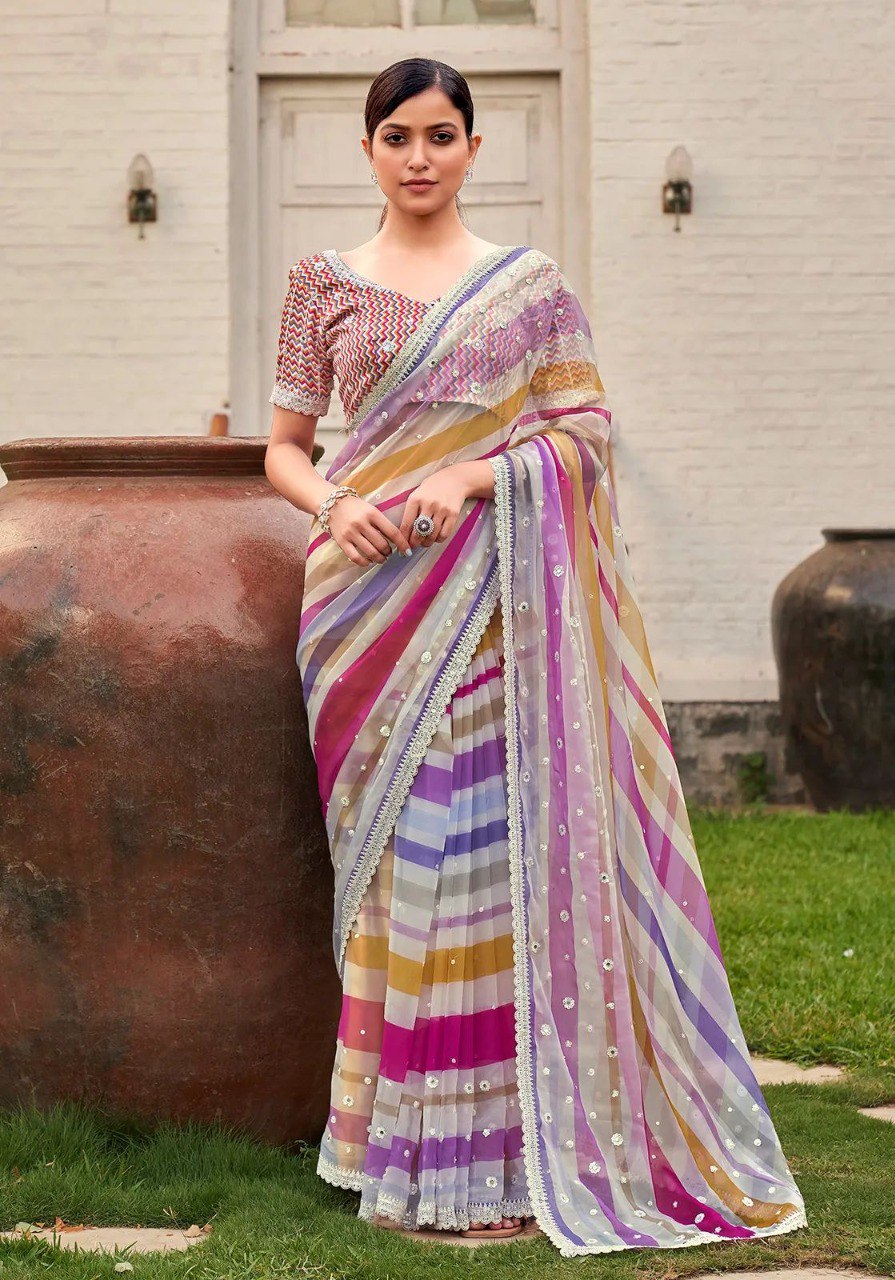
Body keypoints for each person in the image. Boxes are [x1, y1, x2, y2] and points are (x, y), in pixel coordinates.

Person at [263, 56, 807, 1258]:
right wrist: (335, 503)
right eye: (397, 134)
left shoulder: (528, 289)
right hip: (360, 605)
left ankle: (493, 1155)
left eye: (442, 134)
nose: (419, 155)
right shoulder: (321, 282)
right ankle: (383, 1145)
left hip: (489, 602)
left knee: (487, 859)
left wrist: (474, 473)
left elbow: (587, 430)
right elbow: (285, 446)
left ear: (472, 147)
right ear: (367, 149)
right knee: (402, 871)